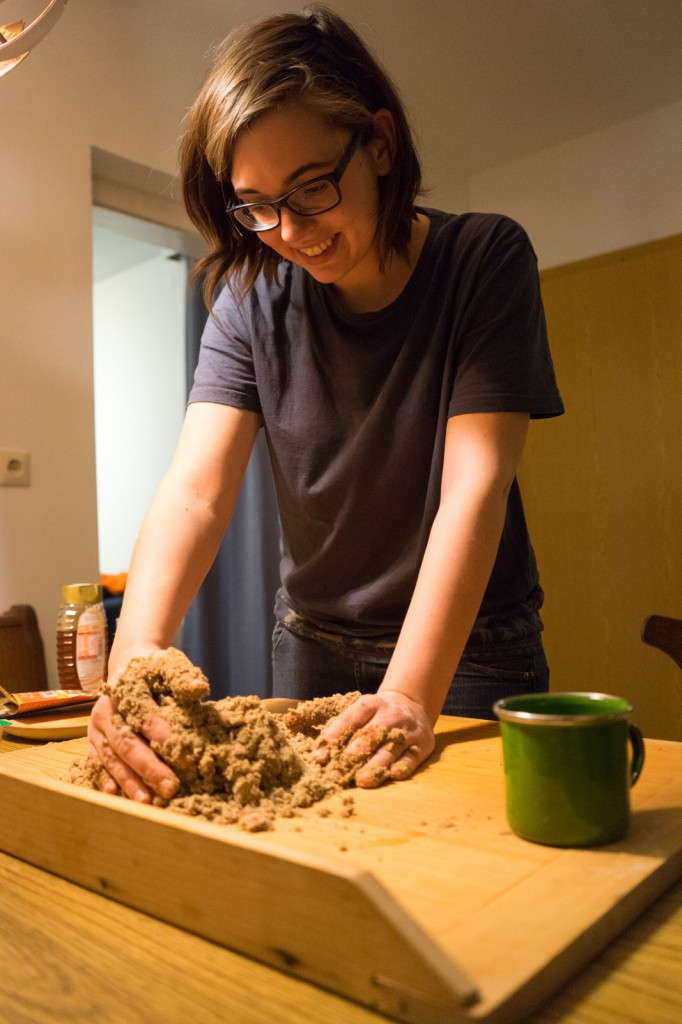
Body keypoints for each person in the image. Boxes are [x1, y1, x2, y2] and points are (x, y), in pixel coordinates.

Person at [88, 4, 563, 802]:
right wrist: (134, 657)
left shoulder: (484, 259)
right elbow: (198, 491)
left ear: (378, 143)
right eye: (256, 205)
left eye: (311, 188)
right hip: (310, 646)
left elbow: (472, 492)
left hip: (470, 647)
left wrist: (411, 693)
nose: (288, 231)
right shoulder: (249, 301)